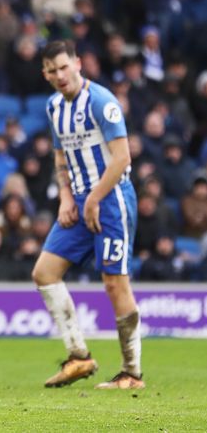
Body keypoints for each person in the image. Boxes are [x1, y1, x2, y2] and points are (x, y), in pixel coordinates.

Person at [34, 40, 143, 390]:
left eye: (64, 67)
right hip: (80, 200)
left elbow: (123, 158)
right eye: (52, 71)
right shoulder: (53, 107)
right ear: (45, 74)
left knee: (114, 282)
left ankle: (132, 372)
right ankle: (78, 356)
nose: (59, 75)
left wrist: (94, 199)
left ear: (78, 64)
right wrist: (66, 197)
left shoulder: (101, 102)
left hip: (111, 200)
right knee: (45, 272)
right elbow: (60, 157)